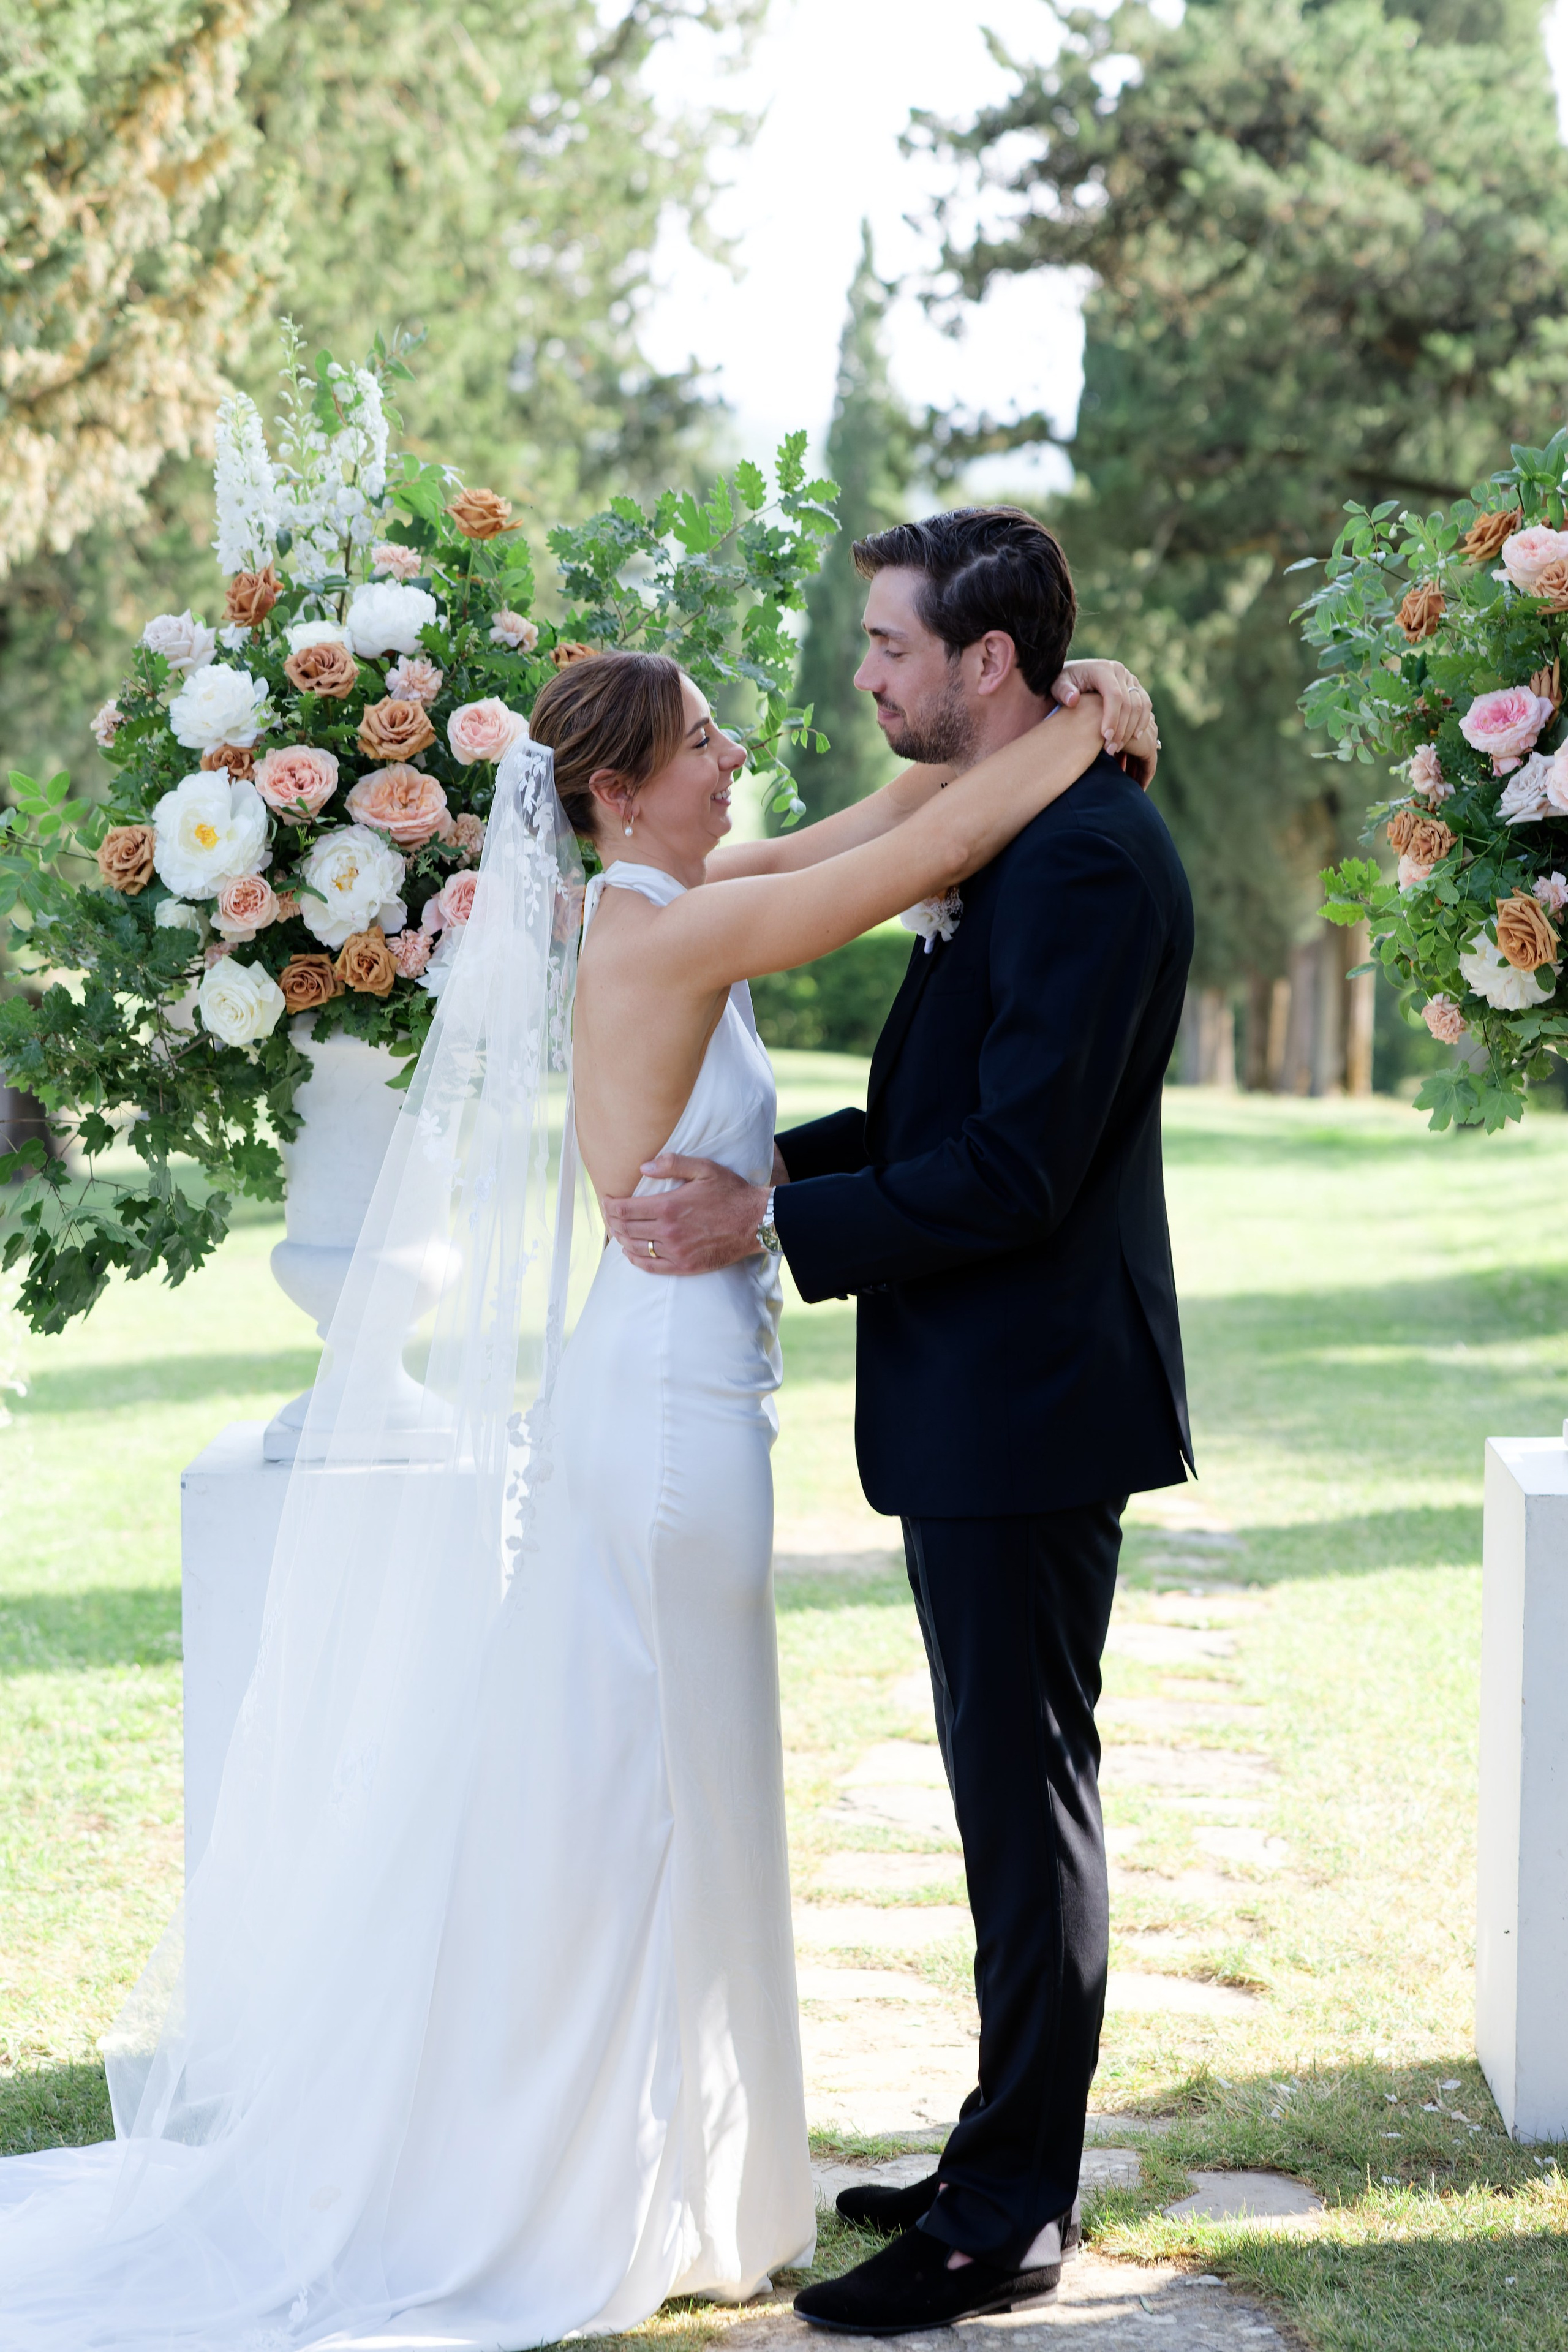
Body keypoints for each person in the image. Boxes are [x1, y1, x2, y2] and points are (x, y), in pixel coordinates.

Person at [0, 623, 1155, 2347]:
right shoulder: (667, 933)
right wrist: (1075, 733)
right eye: (699, 742)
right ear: (614, 795)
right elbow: (925, 856)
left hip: (683, 1391)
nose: (732, 760)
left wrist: (1087, 696)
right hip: (674, 1417)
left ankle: (702, 2168)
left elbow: (883, 808)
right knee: (654, 1789)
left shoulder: (677, 893)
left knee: (678, 1774)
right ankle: (610, 2182)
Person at [602, 506, 1196, 2335]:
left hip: (1030, 1401)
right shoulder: (1002, 840)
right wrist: (777, 1167)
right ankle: (989, 2149)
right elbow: (947, 1121)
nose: (863, 677)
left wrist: (768, 1214)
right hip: (983, 1394)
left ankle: (1007, 2215)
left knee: (1028, 1806)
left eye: (887, 646)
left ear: (987, 663)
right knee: (999, 1796)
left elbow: (1015, 1171)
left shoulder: (1082, 860)